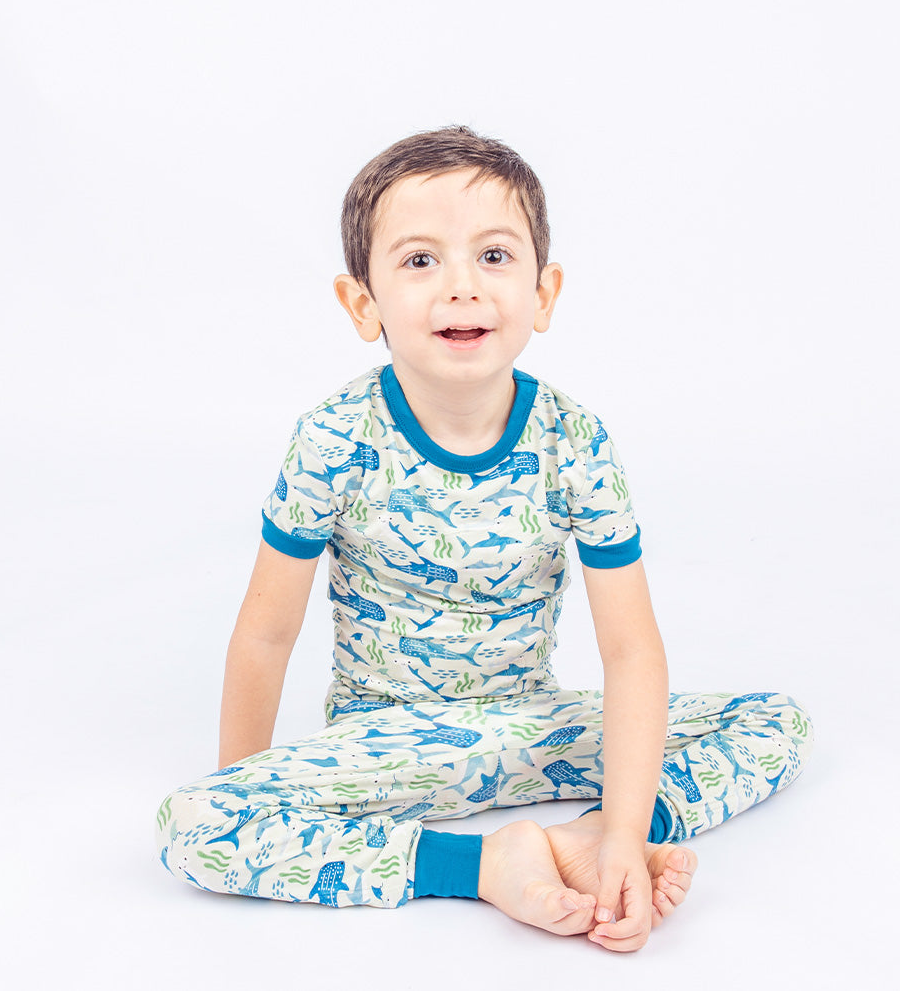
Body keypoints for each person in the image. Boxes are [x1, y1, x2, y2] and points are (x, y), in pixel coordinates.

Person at [155, 126, 813, 952]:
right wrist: (251, 794)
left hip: (530, 728)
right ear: (363, 304)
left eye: (495, 256)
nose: (462, 288)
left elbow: (633, 653)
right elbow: (266, 630)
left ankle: (590, 832)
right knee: (193, 822)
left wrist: (622, 837)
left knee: (777, 721)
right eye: (421, 260)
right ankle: (481, 865)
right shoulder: (333, 438)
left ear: (544, 291)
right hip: (386, 743)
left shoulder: (574, 439)